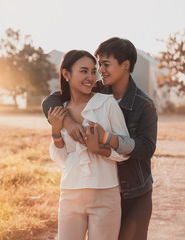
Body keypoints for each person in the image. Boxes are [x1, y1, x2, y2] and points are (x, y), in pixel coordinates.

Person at [42, 37, 157, 240]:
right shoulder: (94, 89)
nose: (99, 72)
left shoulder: (142, 104)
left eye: (105, 65)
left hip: (133, 191)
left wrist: (104, 141)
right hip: (87, 187)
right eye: (98, 65)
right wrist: (68, 124)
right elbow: (51, 100)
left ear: (125, 65)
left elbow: (145, 148)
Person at [48, 49, 130, 240]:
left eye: (93, 71)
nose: (91, 77)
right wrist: (55, 131)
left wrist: (99, 148)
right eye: (83, 71)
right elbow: (64, 161)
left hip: (105, 193)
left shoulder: (107, 104)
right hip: (70, 193)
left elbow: (125, 149)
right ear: (66, 74)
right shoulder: (61, 111)